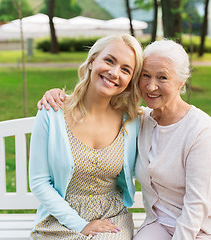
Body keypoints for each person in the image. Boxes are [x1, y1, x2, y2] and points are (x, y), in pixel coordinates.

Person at [38, 39, 211, 240]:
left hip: (208, 227)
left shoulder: (200, 130)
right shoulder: (140, 121)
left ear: (182, 81)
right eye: (146, 76)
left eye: (162, 77)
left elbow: (198, 203)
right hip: (160, 225)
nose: (151, 86)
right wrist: (54, 94)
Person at [29, 34, 144, 239]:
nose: (114, 72)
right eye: (109, 60)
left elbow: (168, 113)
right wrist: (80, 225)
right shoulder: (52, 112)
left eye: (126, 70)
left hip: (111, 217)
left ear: (130, 80)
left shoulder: (132, 120)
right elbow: (39, 182)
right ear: (92, 61)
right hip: (58, 218)